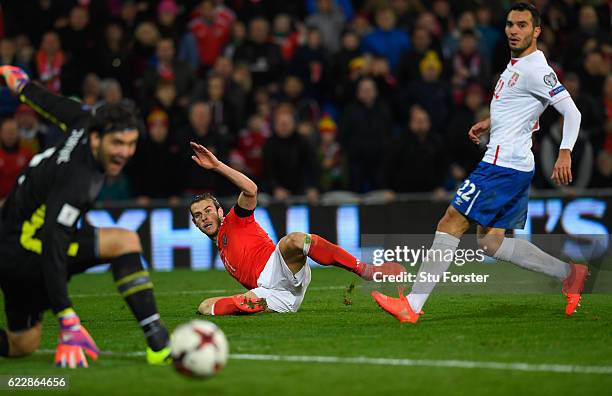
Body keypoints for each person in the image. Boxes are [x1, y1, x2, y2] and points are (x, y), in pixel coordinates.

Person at [371, 3, 587, 323]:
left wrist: (565, 151)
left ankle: (412, 305)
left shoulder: (536, 69)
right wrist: (491, 121)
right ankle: (569, 273)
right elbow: (524, 108)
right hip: (515, 163)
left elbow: (572, 112)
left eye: (522, 25)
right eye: (511, 24)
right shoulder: (516, 65)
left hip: (503, 166)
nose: (514, 30)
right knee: (490, 242)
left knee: (450, 222)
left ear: (536, 31)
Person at [0, 66, 170, 367]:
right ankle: (159, 343)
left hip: (11, 240)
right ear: (96, 140)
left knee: (22, 343)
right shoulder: (80, 181)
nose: (124, 153)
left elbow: (50, 103)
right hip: (26, 252)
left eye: (130, 144)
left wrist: (23, 86)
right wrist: (67, 319)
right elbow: (53, 241)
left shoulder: (84, 119)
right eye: (117, 144)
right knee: (124, 240)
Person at [188, 142, 403, 315]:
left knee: (294, 241)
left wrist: (217, 166)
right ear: (196, 224)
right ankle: (253, 304)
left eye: (208, 210)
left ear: (219, 212)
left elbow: (251, 189)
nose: (204, 217)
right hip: (276, 294)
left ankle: (365, 270)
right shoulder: (221, 247)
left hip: (278, 268)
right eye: (198, 215)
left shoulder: (234, 220)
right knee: (205, 307)